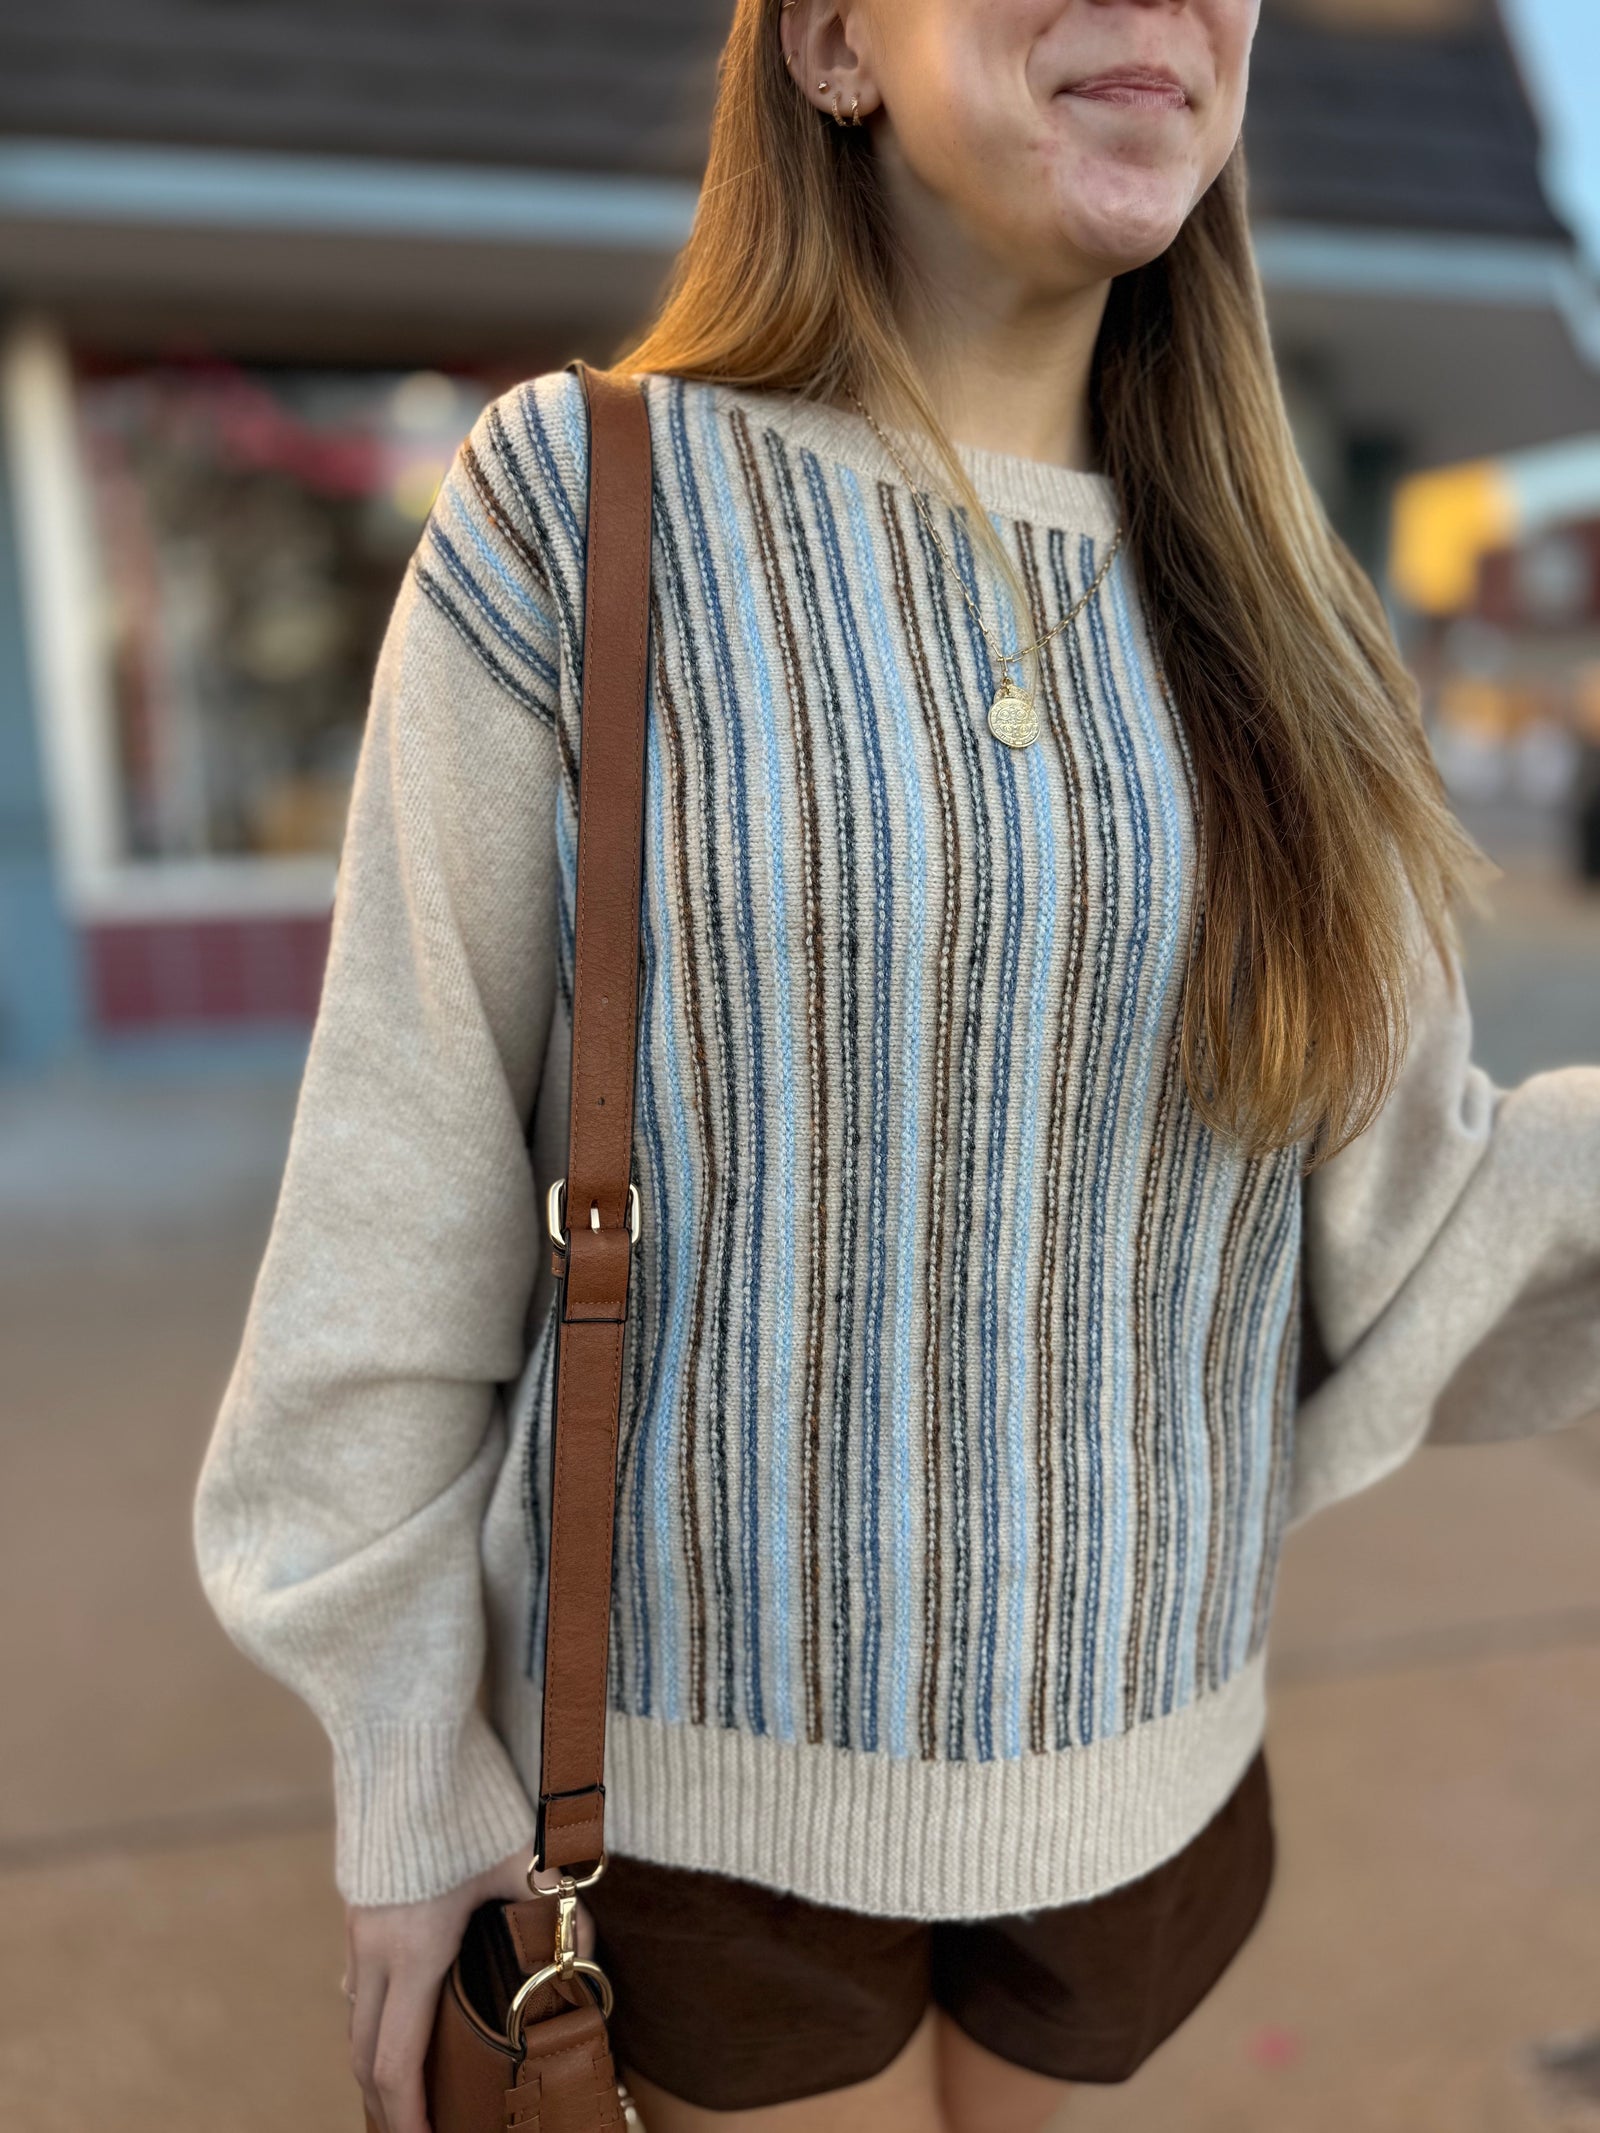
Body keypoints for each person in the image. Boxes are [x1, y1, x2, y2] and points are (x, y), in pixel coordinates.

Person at [193, 3, 1600, 2130]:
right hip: (702, 1808)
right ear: (837, 45)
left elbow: (1409, 1214)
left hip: (1138, 1778)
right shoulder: (581, 509)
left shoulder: (1290, 612)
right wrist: (403, 1760)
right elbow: (402, 1175)